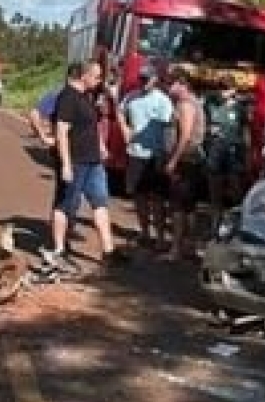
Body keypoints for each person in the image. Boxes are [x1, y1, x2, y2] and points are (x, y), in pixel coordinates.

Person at [41, 59, 128, 273]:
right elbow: (61, 132)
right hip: (76, 161)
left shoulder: (86, 97)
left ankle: (108, 251)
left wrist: (100, 147)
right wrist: (66, 165)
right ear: (84, 76)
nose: (99, 81)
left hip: (93, 161)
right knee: (64, 205)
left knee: (100, 203)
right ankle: (59, 250)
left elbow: (93, 126)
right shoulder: (68, 98)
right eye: (96, 77)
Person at [117, 64, 174, 250]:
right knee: (138, 195)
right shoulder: (131, 97)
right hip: (135, 153)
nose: (143, 83)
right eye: (141, 79)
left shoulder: (163, 101)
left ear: (155, 80)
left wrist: (167, 155)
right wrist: (125, 128)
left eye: (146, 79)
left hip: (155, 155)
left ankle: (159, 237)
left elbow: (168, 130)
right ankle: (144, 233)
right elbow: (119, 111)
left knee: (157, 198)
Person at [163, 68, 208, 261]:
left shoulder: (186, 104)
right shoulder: (190, 102)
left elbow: (185, 135)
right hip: (190, 160)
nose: (168, 87)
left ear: (181, 83)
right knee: (188, 206)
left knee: (179, 207)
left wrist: (173, 160)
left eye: (171, 83)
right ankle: (189, 246)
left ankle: (177, 249)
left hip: (186, 160)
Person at [204, 78, 251, 228]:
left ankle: (236, 226)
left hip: (233, 152)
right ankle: (214, 227)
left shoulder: (240, 108)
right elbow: (203, 123)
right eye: (221, 88)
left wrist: (247, 154)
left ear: (233, 90)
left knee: (236, 191)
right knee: (214, 192)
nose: (223, 92)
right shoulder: (210, 104)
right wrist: (208, 131)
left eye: (226, 88)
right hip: (214, 151)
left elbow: (246, 131)